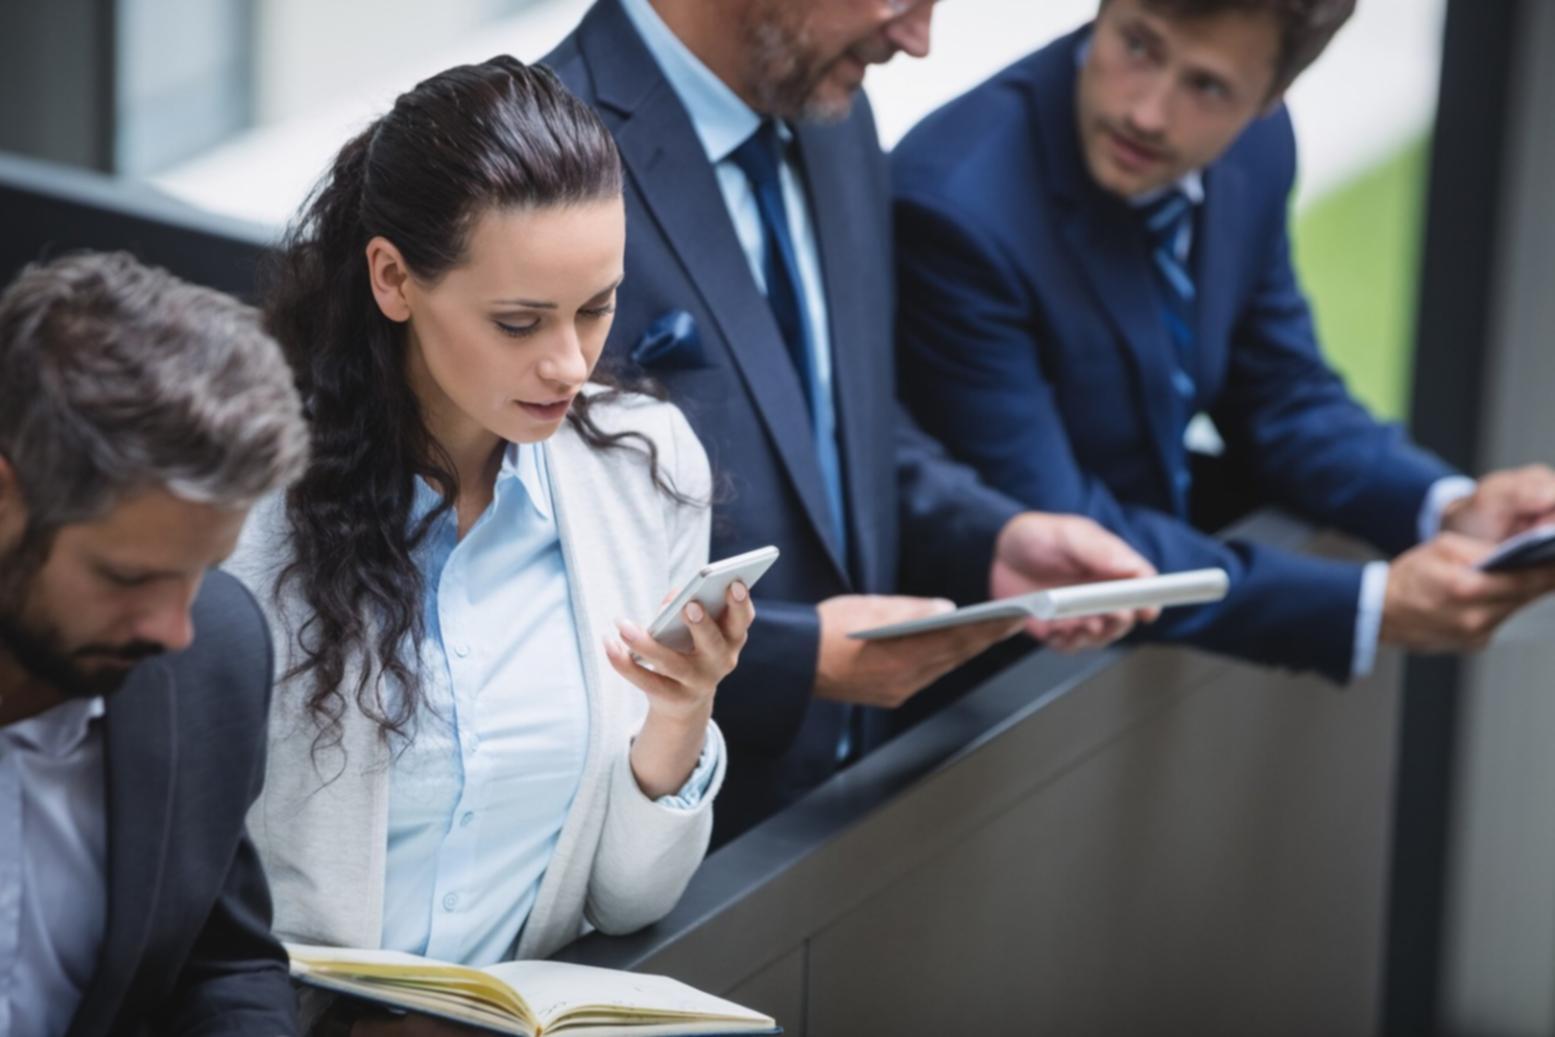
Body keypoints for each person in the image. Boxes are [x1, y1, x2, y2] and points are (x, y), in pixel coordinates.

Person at [546, 0, 1161, 846]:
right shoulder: (536, 165)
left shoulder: (833, 116)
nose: (918, 37)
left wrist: (992, 536)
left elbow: (841, 426)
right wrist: (803, 661)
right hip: (651, 859)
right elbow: (519, 591)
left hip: (849, 823)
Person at [224, 57, 751, 1009]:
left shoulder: (645, 470)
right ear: (392, 278)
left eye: (597, 308)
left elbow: (629, 902)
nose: (568, 361)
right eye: (518, 321)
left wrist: (680, 717)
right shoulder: (248, 507)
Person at [892, 0, 1555, 682]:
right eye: (1138, 47)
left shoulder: (1255, 148)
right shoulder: (956, 208)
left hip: (1132, 654)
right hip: (981, 687)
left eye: (1206, 86)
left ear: (1271, 95)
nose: (1145, 112)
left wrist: (1445, 507)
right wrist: (1366, 603)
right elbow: (1065, 535)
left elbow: (1281, 398)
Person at [0, 251, 309, 1036]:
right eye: (128, 577)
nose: (175, 630)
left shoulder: (216, 657)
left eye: (202, 571)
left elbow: (223, 963)